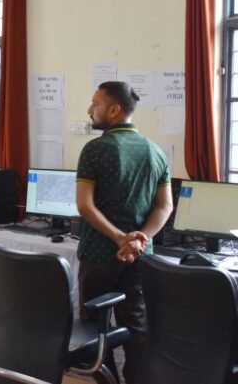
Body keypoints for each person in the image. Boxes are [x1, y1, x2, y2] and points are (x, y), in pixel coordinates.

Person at [75, 81, 173, 384]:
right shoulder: (155, 151)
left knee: (95, 330)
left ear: (114, 110)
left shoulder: (95, 149)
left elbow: (85, 205)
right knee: (137, 328)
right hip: (140, 258)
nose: (90, 110)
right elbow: (165, 206)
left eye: (96, 104)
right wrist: (141, 239)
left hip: (98, 256)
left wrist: (120, 238)